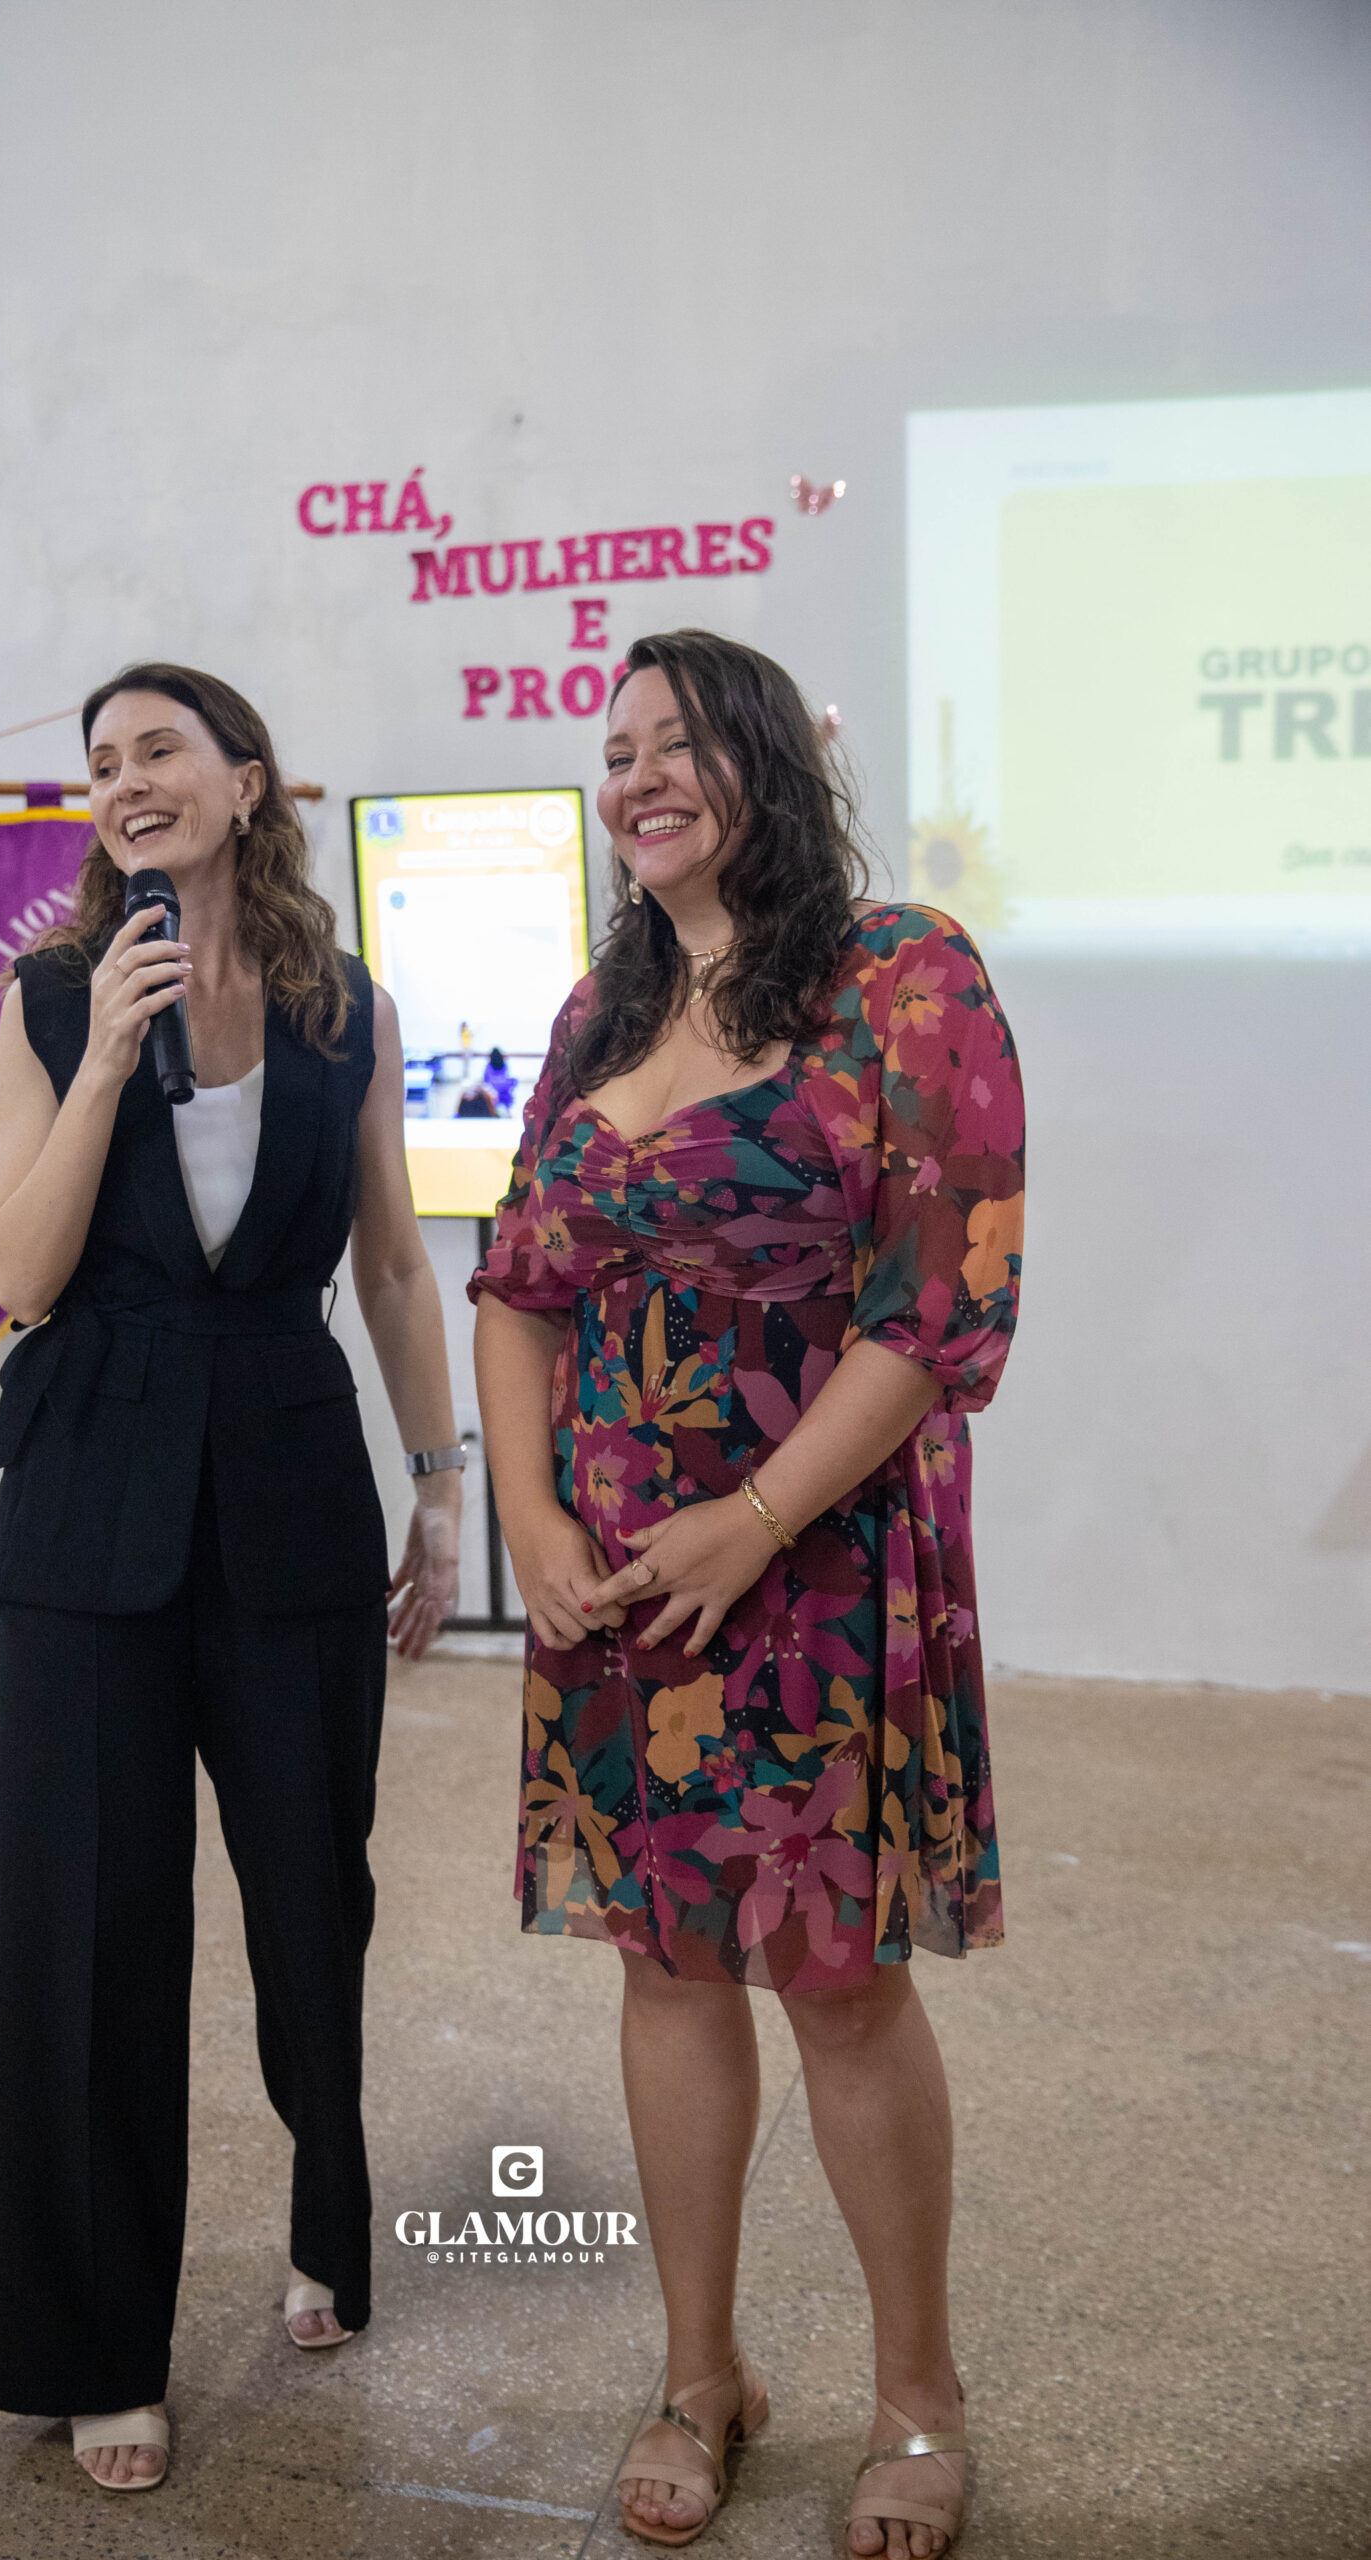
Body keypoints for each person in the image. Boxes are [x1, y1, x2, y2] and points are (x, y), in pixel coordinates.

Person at [470, 631, 1023, 2557]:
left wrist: (759, 1517)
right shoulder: (599, 1012)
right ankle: (700, 2373)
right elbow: (518, 1286)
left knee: (840, 1985)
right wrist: (529, 1519)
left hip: (821, 1565)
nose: (636, 777)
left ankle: (919, 2398)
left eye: (677, 741)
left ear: (767, 759)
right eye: (615, 750)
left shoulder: (904, 973)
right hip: (619, 1582)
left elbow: (945, 1300)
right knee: (665, 1966)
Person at [0, 662, 463, 2490]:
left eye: (158, 748)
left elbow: (393, 1266)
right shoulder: (47, 997)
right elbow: (21, 1275)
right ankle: (97, 2342)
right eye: (100, 762)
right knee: (88, 1927)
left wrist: (441, 1490)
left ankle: (329, 2218)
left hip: (288, 1484)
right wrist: (106, 1057)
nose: (124, 780)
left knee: (313, 1892)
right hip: (91, 1498)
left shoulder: (348, 1010)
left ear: (248, 780)